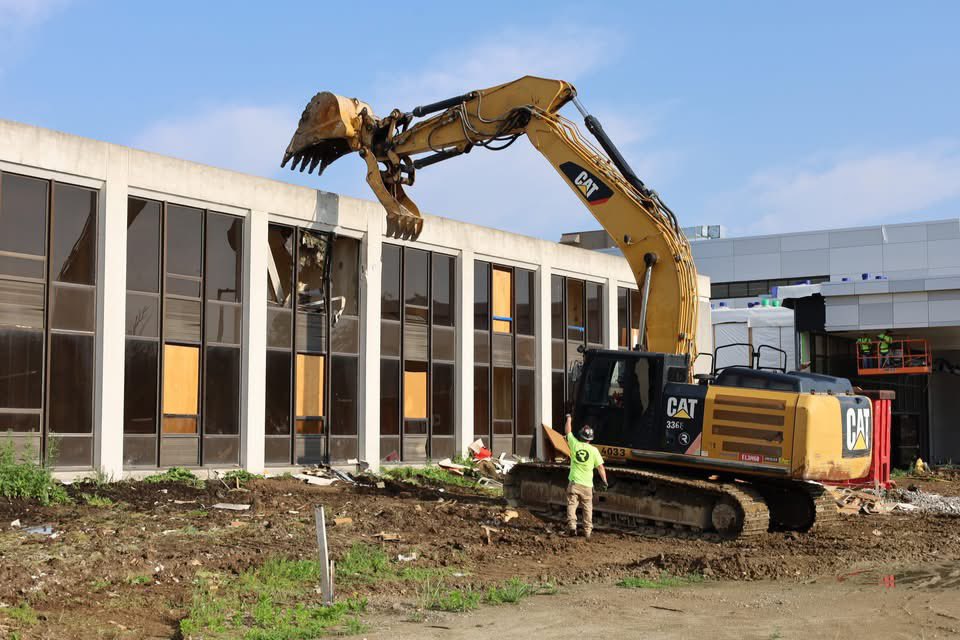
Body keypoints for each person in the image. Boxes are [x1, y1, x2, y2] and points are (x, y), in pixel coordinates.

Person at [563, 413, 608, 539]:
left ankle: (572, 526)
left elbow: (568, 432)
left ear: (580, 436)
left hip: (574, 483)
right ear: (590, 438)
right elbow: (600, 468)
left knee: (572, 505)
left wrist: (569, 419)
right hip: (587, 485)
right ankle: (587, 531)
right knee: (588, 508)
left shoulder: (574, 444)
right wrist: (604, 481)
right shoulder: (594, 451)